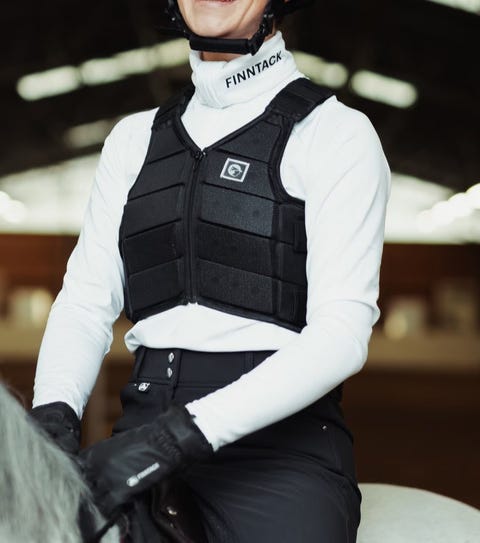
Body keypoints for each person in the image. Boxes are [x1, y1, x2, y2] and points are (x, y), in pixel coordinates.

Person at [31, 0, 391, 541]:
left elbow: (342, 335)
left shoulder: (336, 133)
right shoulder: (132, 139)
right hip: (140, 430)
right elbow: (84, 303)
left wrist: (178, 438)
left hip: (278, 454)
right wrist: (52, 421)